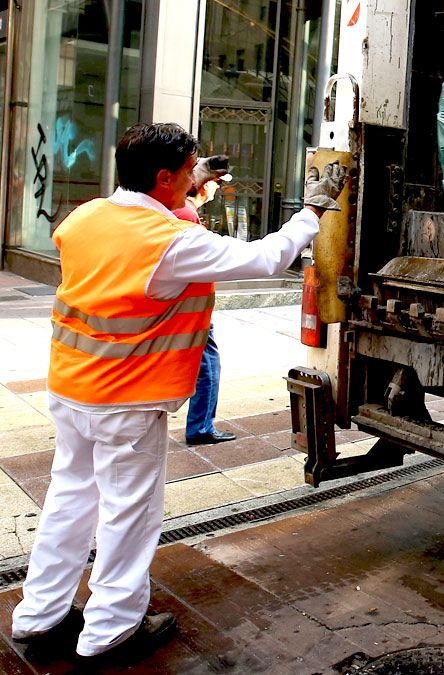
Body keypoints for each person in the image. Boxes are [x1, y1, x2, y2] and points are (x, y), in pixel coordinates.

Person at [9, 123, 346, 665]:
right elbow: (264, 259)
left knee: (69, 500)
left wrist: (190, 192)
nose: (197, 177)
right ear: (164, 178)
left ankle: (39, 616)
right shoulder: (170, 243)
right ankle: (110, 631)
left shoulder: (87, 217)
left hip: (72, 388)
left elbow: (145, 236)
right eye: (189, 171)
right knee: (128, 513)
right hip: (127, 399)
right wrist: (313, 210)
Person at [173, 155, 236, 446]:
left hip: (184, 304)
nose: (216, 190)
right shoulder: (186, 214)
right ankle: (200, 427)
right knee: (208, 364)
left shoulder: (180, 209)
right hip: (192, 307)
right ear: (202, 185)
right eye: (216, 184)